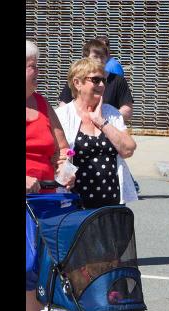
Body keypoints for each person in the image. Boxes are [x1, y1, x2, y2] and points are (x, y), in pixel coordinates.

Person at [26, 40, 76, 311]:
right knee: (28, 269)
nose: (39, 72)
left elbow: (63, 148)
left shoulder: (43, 104)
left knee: (46, 271)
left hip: (47, 202)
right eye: (33, 66)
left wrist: (65, 170)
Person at [55, 57, 137, 208]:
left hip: (113, 203)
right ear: (77, 83)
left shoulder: (111, 113)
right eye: (95, 80)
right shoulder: (61, 116)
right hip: (76, 204)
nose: (102, 85)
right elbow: (54, 157)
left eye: (103, 80)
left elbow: (128, 150)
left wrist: (101, 121)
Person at [58, 39, 134, 123]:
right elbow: (63, 105)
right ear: (86, 58)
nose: (99, 60)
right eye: (95, 57)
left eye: (102, 57)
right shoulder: (77, 79)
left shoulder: (118, 80)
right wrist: (83, 119)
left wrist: (104, 119)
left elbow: (127, 110)